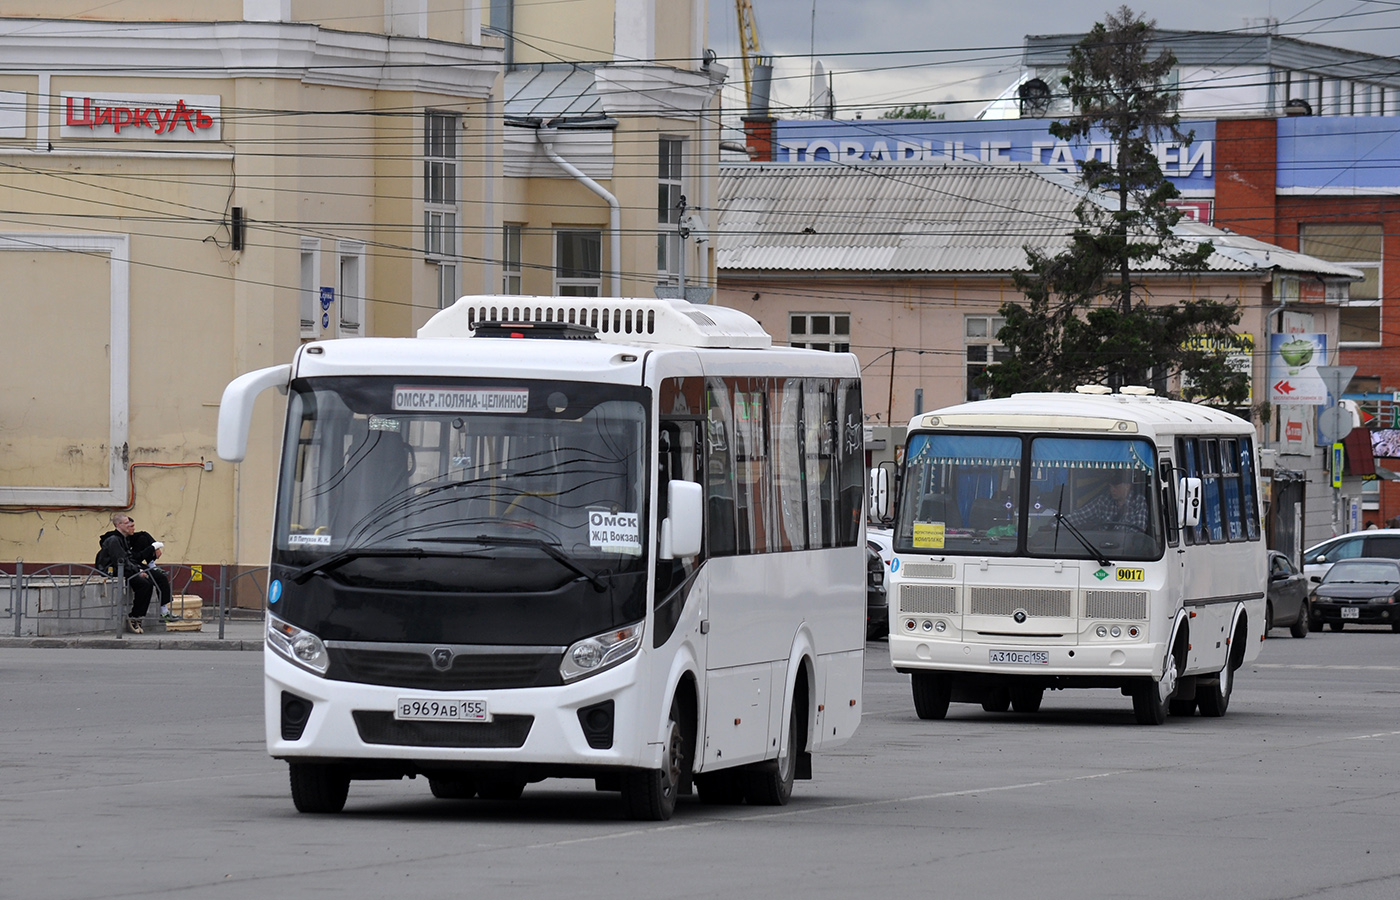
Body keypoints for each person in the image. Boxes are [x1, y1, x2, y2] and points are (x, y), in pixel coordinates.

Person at [97, 513, 173, 633]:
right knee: (144, 584)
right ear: (119, 525)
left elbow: (129, 557)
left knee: (152, 579)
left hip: (124, 568)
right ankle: (134, 617)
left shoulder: (124, 538)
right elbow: (120, 561)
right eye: (127, 523)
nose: (130, 526)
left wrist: (139, 568)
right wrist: (137, 571)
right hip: (113, 570)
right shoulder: (114, 540)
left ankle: (159, 612)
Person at [1071, 470, 1149, 532]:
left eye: (1116, 487)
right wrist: (1062, 522)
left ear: (1127, 486)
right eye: (1110, 486)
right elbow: (1080, 516)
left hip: (1127, 549)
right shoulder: (1103, 500)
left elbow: (1139, 530)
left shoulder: (1138, 502)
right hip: (1102, 549)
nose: (1112, 490)